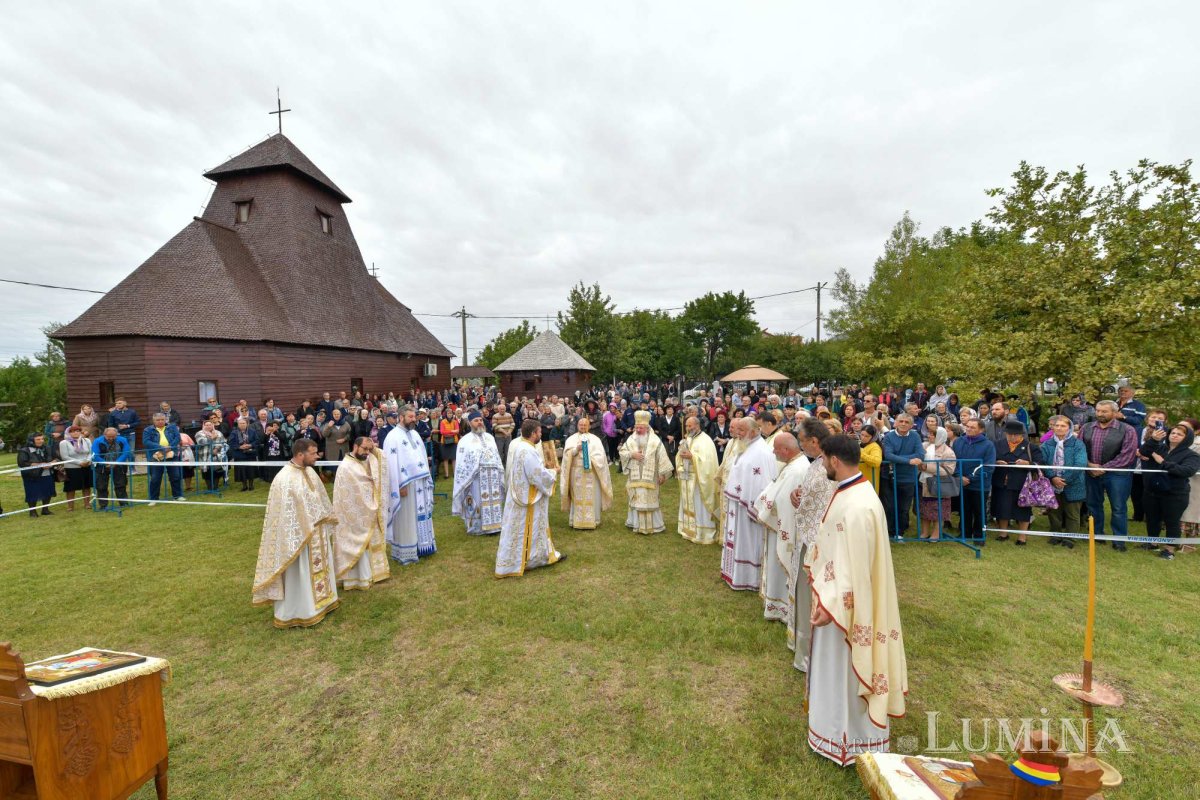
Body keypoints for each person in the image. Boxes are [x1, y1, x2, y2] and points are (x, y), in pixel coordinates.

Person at [805, 433, 907, 766]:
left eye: (824, 459)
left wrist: (830, 605)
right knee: (836, 673)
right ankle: (832, 732)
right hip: (836, 597)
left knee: (844, 673)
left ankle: (846, 739)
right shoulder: (850, 491)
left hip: (846, 609)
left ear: (834, 460)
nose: (822, 465)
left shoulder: (859, 505)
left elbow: (856, 569)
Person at [253, 439, 340, 628]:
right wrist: (303, 530)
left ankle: (325, 603)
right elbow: (285, 516)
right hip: (299, 538)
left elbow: (319, 499)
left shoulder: (310, 472)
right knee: (301, 574)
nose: (317, 456)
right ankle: (303, 610)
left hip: (317, 533)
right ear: (300, 454)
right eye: (313, 453)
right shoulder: (284, 479)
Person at [785, 418, 834, 665]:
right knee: (802, 594)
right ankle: (802, 645)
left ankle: (810, 655)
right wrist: (797, 494)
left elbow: (827, 502)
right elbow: (808, 491)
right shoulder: (816, 462)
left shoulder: (831, 466)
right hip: (805, 537)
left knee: (810, 596)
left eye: (802, 441)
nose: (801, 446)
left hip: (818, 543)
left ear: (814, 440)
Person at [495, 419, 565, 577]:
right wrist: (554, 472)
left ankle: (523, 560)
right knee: (528, 528)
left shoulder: (521, 446)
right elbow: (537, 475)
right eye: (539, 432)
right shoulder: (528, 451)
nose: (541, 434)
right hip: (529, 497)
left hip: (518, 495)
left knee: (518, 530)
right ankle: (531, 560)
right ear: (533, 433)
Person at [753, 432, 807, 623]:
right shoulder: (793, 465)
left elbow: (782, 501)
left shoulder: (796, 470)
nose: (773, 452)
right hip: (778, 525)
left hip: (783, 527)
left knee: (780, 566)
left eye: (776, 448)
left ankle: (782, 607)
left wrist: (763, 509)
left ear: (786, 449)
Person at [720, 417, 777, 591]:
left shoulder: (762, 452)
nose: (737, 433)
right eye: (737, 429)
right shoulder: (745, 446)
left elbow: (763, 483)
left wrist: (753, 506)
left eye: (741, 430)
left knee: (748, 542)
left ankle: (749, 579)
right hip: (737, 504)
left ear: (752, 432)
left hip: (747, 507)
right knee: (737, 539)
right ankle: (734, 573)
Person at [332, 436, 392, 589]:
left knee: (372, 541)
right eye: (364, 449)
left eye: (369, 449)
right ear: (355, 446)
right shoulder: (346, 467)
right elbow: (346, 496)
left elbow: (382, 461)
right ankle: (358, 577)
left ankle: (375, 572)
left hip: (370, 510)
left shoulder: (368, 459)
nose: (367, 452)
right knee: (358, 543)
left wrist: (374, 449)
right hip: (353, 516)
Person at [1082, 400, 1139, 552]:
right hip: (1091, 473)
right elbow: (1079, 449)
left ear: (1115, 413)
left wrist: (1103, 468)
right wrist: (1089, 465)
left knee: (1118, 507)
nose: (1100, 414)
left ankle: (1119, 540)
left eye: (1104, 411)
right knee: (1093, 505)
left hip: (1117, 475)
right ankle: (1096, 535)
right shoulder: (1086, 427)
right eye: (1098, 410)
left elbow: (1127, 455)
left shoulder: (1127, 430)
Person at [383, 407, 437, 564]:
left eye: (415, 416)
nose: (414, 419)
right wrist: (398, 486)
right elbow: (391, 464)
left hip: (420, 483)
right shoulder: (392, 437)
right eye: (411, 417)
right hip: (405, 484)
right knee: (407, 517)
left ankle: (424, 546)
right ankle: (407, 550)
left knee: (422, 514)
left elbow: (422, 456)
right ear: (401, 417)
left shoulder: (415, 434)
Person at [1139, 422, 1200, 560]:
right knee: (1152, 519)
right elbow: (1143, 452)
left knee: (1172, 521)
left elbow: (1187, 471)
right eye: (1173, 433)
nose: (1175, 435)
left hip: (1175, 494)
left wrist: (1163, 462)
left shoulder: (1191, 455)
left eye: (1179, 434)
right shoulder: (1160, 447)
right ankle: (1153, 543)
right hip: (1152, 490)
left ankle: (1169, 550)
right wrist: (1153, 440)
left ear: (1187, 438)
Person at [619, 409, 673, 534]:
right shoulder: (631, 439)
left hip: (651, 478)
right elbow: (622, 452)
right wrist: (632, 454)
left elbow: (662, 457)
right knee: (636, 499)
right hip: (635, 477)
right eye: (636, 427)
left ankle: (653, 525)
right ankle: (635, 523)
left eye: (641, 428)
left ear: (647, 428)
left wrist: (662, 474)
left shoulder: (655, 440)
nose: (638, 430)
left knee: (649, 500)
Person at [452, 411, 505, 535]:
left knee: (493, 500)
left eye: (480, 420)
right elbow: (462, 462)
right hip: (476, 477)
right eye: (476, 421)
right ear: (470, 423)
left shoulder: (490, 437)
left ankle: (495, 525)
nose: (479, 422)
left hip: (492, 475)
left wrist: (499, 470)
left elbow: (496, 455)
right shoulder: (465, 440)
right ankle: (477, 528)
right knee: (477, 501)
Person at [992, 419, 1042, 545]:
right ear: (1005, 433)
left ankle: (1022, 537)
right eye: (1010, 434)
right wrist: (996, 462)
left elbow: (1040, 464)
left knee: (1023, 511)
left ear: (1022, 434)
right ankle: (1003, 533)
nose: (1012, 437)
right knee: (1002, 509)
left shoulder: (1031, 447)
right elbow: (990, 458)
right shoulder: (997, 444)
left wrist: (1028, 463)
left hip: (1022, 485)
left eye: (1016, 434)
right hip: (1002, 483)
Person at [1041, 414, 1087, 548]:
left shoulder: (1077, 444)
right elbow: (1043, 462)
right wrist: (1053, 478)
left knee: (1072, 513)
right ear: (1053, 427)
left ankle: (1070, 538)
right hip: (1052, 483)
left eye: (1063, 426)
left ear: (1069, 428)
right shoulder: (1047, 444)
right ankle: (1055, 535)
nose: (1059, 428)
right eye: (1057, 425)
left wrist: (1064, 480)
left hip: (1073, 483)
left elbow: (1080, 464)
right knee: (1053, 511)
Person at [560, 415, 613, 530]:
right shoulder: (571, 439)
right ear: (577, 426)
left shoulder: (595, 439)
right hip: (576, 473)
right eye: (581, 425)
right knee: (577, 496)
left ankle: (593, 520)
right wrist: (576, 449)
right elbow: (566, 455)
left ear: (589, 426)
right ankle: (576, 520)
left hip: (591, 473)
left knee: (592, 496)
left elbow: (601, 457)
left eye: (585, 425)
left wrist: (590, 459)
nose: (583, 427)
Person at [676, 415, 719, 544]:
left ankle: (702, 532)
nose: (688, 428)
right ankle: (687, 529)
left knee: (698, 505)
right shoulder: (688, 439)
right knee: (688, 503)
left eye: (690, 425)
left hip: (699, 479)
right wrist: (680, 455)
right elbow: (679, 456)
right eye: (686, 426)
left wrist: (692, 457)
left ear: (697, 425)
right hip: (687, 477)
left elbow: (708, 461)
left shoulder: (706, 440)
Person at [952, 417, 996, 544]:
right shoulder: (958, 442)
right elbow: (953, 461)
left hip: (980, 485)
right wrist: (959, 476)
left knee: (979, 511)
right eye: (967, 426)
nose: (969, 429)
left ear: (981, 430)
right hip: (962, 483)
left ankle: (979, 536)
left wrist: (970, 478)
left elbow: (988, 466)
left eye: (972, 427)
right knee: (964, 509)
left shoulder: (988, 445)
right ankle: (965, 533)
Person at [880, 414, 923, 539]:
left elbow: (920, 455)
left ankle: (899, 532)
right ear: (896, 423)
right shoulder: (889, 436)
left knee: (904, 508)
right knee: (890, 507)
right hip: (889, 477)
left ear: (911, 425)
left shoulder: (915, 436)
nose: (903, 424)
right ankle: (890, 532)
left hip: (908, 477)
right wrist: (909, 460)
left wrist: (898, 458)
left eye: (906, 422)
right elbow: (889, 455)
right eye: (901, 421)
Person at [917, 427, 957, 540]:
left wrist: (927, 467)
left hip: (939, 484)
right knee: (924, 509)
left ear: (940, 436)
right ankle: (925, 532)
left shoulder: (948, 452)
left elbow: (949, 470)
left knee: (938, 511)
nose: (929, 436)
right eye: (929, 434)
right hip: (924, 483)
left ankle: (936, 534)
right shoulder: (925, 446)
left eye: (932, 435)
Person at [143, 412, 184, 504]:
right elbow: (146, 442)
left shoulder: (172, 427)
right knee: (155, 478)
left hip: (172, 454)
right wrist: (161, 448)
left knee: (175, 476)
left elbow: (177, 438)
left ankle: (177, 496)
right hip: (156, 456)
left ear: (166, 420)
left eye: (162, 419)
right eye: (158, 420)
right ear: (153, 421)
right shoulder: (147, 430)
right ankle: (153, 499)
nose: (160, 421)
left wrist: (170, 447)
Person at [17, 433, 57, 517]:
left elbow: (56, 457)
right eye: (38, 439)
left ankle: (45, 510)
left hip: (47, 473)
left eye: (42, 439)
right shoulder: (24, 450)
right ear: (31, 441)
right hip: (32, 475)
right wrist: (39, 465)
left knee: (48, 491)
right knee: (32, 492)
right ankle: (32, 512)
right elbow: (22, 463)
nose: (41, 441)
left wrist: (52, 463)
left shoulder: (47, 448)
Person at [92, 427, 131, 509]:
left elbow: (126, 452)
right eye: (109, 437)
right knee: (101, 486)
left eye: (113, 436)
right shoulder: (97, 441)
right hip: (102, 466)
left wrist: (117, 462)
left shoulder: (123, 440)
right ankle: (103, 505)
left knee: (121, 484)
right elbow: (95, 455)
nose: (111, 438)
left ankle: (123, 503)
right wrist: (105, 463)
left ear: (116, 435)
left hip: (119, 465)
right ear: (104, 434)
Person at [58, 425, 93, 511]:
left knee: (87, 486)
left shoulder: (87, 440)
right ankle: (70, 506)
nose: (75, 433)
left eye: (77, 431)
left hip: (86, 466)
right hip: (72, 468)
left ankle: (87, 504)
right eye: (73, 431)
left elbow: (91, 452)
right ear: (68, 433)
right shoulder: (64, 443)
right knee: (71, 488)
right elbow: (65, 457)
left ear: (80, 432)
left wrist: (88, 461)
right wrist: (79, 463)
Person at [228, 417, 261, 492]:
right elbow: (231, 443)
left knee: (251, 470)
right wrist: (239, 447)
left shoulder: (252, 431)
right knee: (241, 471)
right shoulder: (234, 432)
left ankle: (251, 485)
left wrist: (250, 445)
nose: (242, 425)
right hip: (239, 455)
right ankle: (244, 486)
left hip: (250, 454)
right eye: (240, 423)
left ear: (247, 424)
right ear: (238, 424)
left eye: (243, 423)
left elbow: (257, 441)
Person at [195, 419, 228, 491]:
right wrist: (212, 438)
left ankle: (215, 487)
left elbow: (223, 442)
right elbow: (201, 442)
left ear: (213, 425)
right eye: (206, 425)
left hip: (216, 455)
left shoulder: (218, 433)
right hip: (204, 456)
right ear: (203, 426)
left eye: (210, 425)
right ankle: (210, 488)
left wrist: (216, 449)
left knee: (217, 471)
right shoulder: (199, 433)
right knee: (206, 473)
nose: (208, 426)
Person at [322, 408, 352, 479]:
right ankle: (334, 478)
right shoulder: (328, 424)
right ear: (332, 415)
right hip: (332, 449)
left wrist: (344, 439)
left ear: (340, 415)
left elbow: (350, 434)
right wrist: (329, 427)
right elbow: (324, 435)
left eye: (338, 414)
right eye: (335, 414)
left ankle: (343, 478)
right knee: (334, 465)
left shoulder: (346, 423)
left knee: (343, 464)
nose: (336, 415)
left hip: (343, 448)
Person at [858, 425, 883, 491]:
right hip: (860, 479)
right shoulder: (860, 444)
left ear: (873, 437)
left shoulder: (875, 446)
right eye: (862, 435)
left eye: (867, 436)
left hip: (870, 481)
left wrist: (861, 453)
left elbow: (877, 462)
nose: (863, 438)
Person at [439, 410, 460, 480]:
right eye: (448, 413)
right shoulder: (442, 422)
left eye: (451, 413)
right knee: (445, 458)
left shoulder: (455, 421)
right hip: (444, 442)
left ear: (452, 414)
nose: (450, 414)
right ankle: (446, 474)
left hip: (454, 441)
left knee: (454, 458)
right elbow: (442, 432)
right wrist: (452, 431)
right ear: (446, 414)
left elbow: (457, 431)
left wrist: (448, 433)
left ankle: (455, 473)